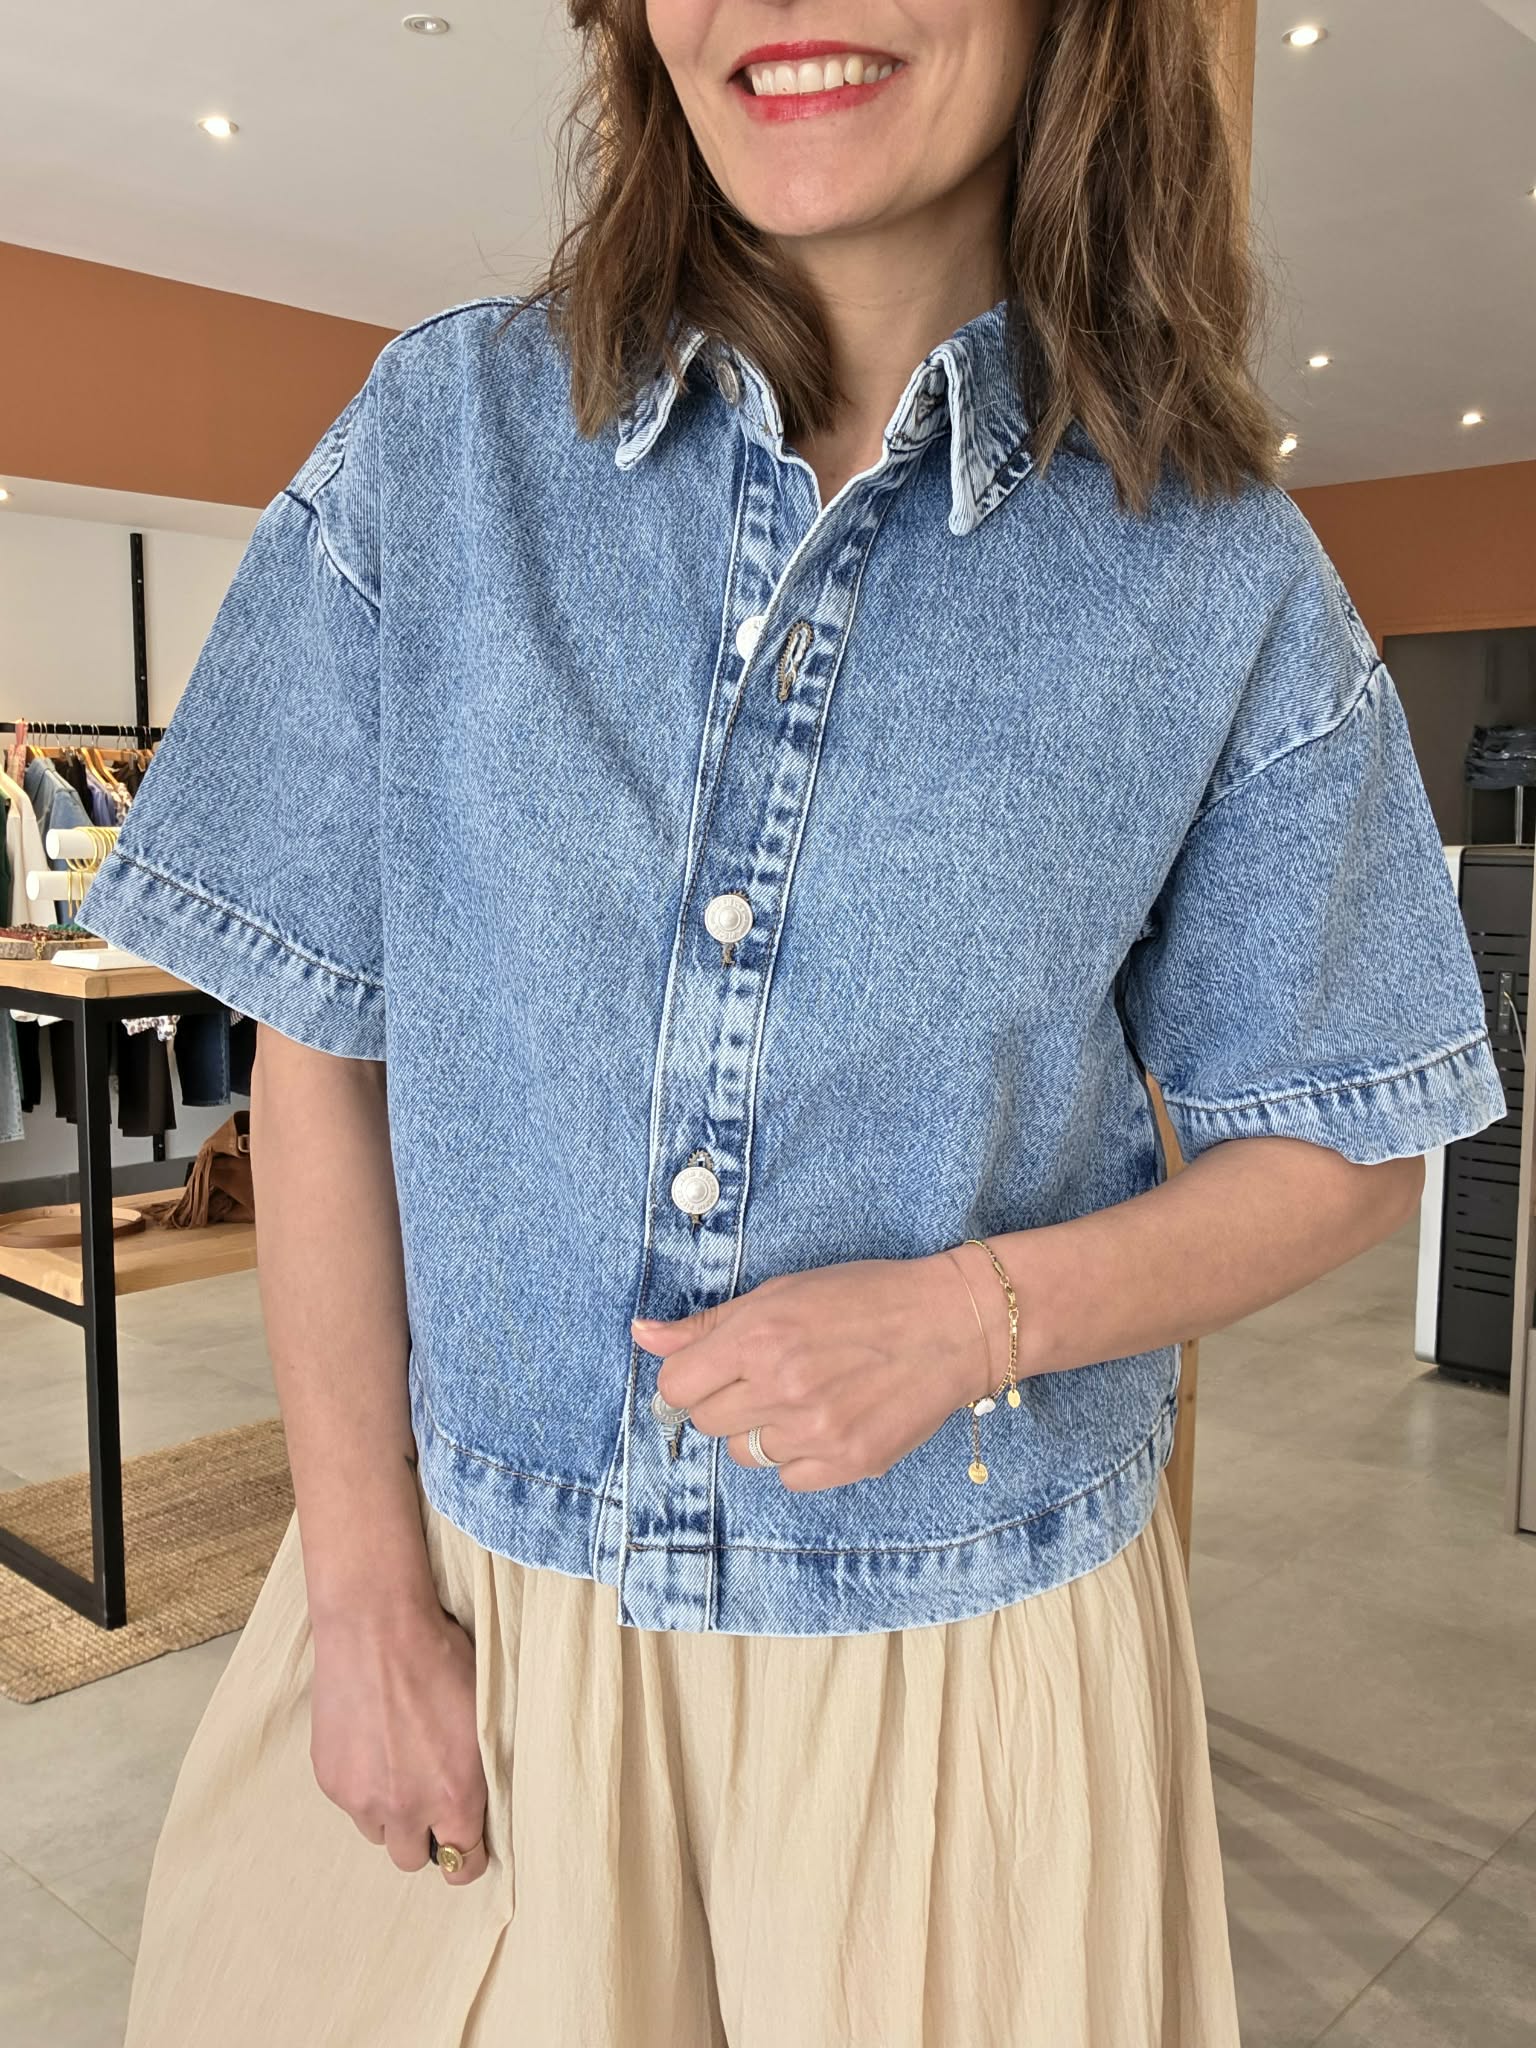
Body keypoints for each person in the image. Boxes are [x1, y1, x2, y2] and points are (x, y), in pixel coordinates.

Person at [78, 1, 1506, 2043]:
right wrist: (367, 1593)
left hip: (961, 1678)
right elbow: (328, 1035)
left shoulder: (1212, 573)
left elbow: (1352, 1138)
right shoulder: (447, 446)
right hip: (487, 1624)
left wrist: (974, 1318)